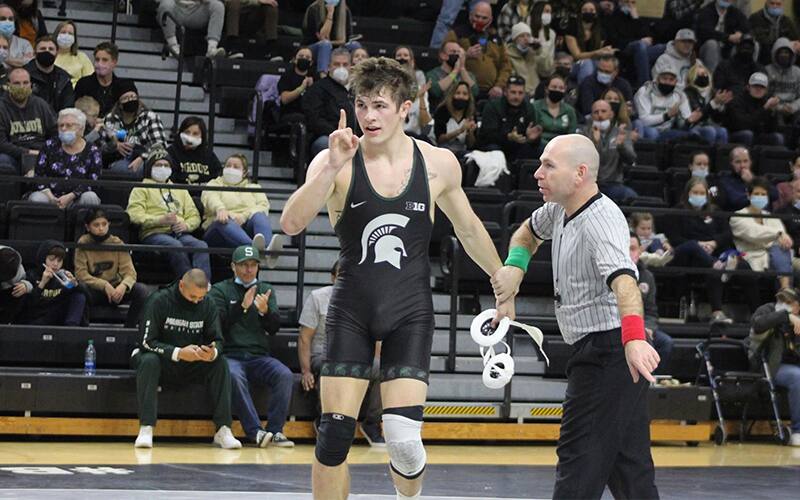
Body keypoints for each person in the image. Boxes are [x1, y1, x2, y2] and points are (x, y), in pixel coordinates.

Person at [280, 57, 511, 500]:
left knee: (404, 444)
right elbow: (291, 223)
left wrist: (501, 279)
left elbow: (467, 228)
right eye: (362, 105)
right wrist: (330, 167)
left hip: (410, 312)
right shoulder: (336, 161)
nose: (369, 116)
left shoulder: (438, 163)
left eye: (380, 106)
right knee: (332, 439)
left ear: (405, 108)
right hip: (350, 310)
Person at [491, 134, 659, 499]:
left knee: (579, 455)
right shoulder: (559, 208)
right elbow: (526, 233)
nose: (538, 173)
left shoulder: (602, 221)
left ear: (580, 173)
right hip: (598, 350)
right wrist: (515, 269)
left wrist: (633, 339)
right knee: (628, 467)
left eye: (549, 166)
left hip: (609, 352)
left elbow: (626, 283)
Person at [131, 269, 241, 449]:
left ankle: (223, 429)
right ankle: (146, 427)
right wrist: (178, 352)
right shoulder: (159, 300)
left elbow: (218, 340)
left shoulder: (208, 304)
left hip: (190, 361)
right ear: (181, 285)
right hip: (161, 359)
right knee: (149, 360)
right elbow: (146, 342)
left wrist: (211, 352)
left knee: (219, 363)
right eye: (192, 296)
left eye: (200, 297)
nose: (197, 301)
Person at [208, 245, 295, 448]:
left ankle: (275, 431)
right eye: (244, 265)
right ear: (233, 266)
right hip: (230, 355)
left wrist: (265, 312)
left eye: (253, 265)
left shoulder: (265, 289)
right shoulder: (221, 290)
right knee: (233, 375)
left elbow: (274, 328)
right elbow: (217, 325)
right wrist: (242, 307)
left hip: (258, 356)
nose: (248, 269)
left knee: (284, 374)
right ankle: (255, 432)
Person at [298, 259, 386, 448]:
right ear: (333, 278)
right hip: (323, 354)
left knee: (381, 369)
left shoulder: (364, 301)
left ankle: (371, 423)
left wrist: (378, 361)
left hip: (355, 354)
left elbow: (376, 336)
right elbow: (305, 338)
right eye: (342, 276)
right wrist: (305, 371)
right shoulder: (317, 297)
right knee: (331, 364)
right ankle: (324, 420)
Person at [126, 148, 211, 280]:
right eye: (158, 165)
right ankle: (188, 286)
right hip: (153, 234)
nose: (163, 168)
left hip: (180, 233)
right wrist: (159, 220)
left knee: (201, 246)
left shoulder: (180, 190)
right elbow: (133, 215)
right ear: (150, 168)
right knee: (175, 246)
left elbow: (194, 215)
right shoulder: (140, 189)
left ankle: (204, 286)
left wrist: (186, 225)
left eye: (166, 165)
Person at [662, 177, 738, 322]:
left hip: (709, 256)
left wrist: (714, 243)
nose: (699, 195)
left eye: (702, 193)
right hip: (683, 256)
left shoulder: (715, 211)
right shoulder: (678, 211)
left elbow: (727, 234)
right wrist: (699, 244)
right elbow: (674, 237)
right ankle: (719, 264)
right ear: (687, 193)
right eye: (695, 192)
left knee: (740, 267)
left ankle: (717, 313)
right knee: (693, 247)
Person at [201, 153, 283, 268]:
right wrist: (221, 209)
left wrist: (244, 216)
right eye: (228, 166)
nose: (231, 169)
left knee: (259, 215)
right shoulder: (214, 183)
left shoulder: (254, 188)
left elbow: (263, 205)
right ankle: (259, 253)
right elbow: (210, 198)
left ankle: (266, 248)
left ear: (244, 172)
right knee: (225, 220)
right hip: (218, 229)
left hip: (244, 227)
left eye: (236, 167)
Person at [74, 207, 149, 328]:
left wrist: (123, 286)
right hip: (95, 291)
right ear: (88, 227)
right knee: (80, 289)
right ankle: (84, 330)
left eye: (104, 224)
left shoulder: (117, 243)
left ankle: (129, 329)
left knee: (142, 290)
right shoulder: (83, 243)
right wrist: (104, 285)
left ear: (109, 224)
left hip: (116, 290)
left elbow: (130, 272)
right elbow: (81, 274)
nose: (101, 228)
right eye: (96, 225)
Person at [749, 287, 800, 446]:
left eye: (792, 304)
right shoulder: (766, 310)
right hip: (768, 366)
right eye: (784, 302)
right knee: (797, 377)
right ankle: (798, 430)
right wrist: (786, 316)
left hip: (792, 363)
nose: (792, 308)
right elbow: (758, 325)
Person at [27, 107, 101, 207]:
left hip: (77, 198)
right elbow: (39, 176)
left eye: (69, 125)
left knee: (90, 197)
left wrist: (70, 196)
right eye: (61, 125)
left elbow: (93, 181)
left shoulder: (93, 150)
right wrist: (51, 197)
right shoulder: (49, 145)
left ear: (81, 128)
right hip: (50, 196)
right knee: (36, 198)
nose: (63, 129)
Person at [730, 177, 794, 290]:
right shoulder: (737, 216)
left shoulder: (771, 217)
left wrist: (778, 236)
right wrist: (777, 235)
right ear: (749, 195)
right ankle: (786, 290)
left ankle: (785, 293)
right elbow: (754, 233)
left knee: (781, 250)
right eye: (756, 194)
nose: (760, 197)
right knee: (780, 252)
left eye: (763, 194)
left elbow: (783, 239)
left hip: (774, 260)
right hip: (751, 260)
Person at [444, 1, 512, 99]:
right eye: (477, 16)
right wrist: (466, 55)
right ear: (470, 15)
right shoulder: (457, 34)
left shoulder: (496, 38)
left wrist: (499, 86)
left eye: (484, 18)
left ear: (490, 19)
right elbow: (444, 57)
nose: (480, 20)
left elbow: (506, 66)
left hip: (492, 92)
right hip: (462, 89)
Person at [103, 79, 168, 179]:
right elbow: (102, 144)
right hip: (119, 159)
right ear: (119, 104)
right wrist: (116, 145)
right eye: (126, 98)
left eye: (133, 96)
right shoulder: (110, 119)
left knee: (139, 169)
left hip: (146, 158)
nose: (130, 100)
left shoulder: (150, 117)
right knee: (120, 169)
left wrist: (142, 157)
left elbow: (160, 145)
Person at [630, 233, 674, 373]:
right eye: (626, 248)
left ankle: (653, 383)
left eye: (633, 248)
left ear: (640, 250)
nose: (630, 253)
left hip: (642, 327)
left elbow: (651, 311)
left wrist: (648, 327)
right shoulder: (610, 274)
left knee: (665, 342)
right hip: (618, 327)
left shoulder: (647, 276)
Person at [0, 66, 57, 174]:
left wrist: (45, 151)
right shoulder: (1, 107)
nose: (22, 87)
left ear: (31, 84)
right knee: (3, 161)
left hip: (41, 153)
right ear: (8, 85)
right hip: (13, 156)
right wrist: (28, 152)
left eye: (25, 83)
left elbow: (55, 132)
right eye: (17, 83)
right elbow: (1, 144)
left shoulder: (41, 104)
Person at [303, 47, 356, 159]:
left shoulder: (358, 90)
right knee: (323, 144)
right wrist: (338, 135)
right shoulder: (317, 89)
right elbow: (314, 119)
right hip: (327, 136)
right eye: (336, 64)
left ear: (351, 67)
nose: (341, 68)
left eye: (345, 64)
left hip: (355, 137)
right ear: (329, 67)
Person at [19, 239, 86, 326]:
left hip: (57, 316)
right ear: (43, 259)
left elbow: (87, 297)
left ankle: (71, 329)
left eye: (59, 261)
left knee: (79, 295)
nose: (55, 264)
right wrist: (42, 283)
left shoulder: (63, 276)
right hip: (37, 318)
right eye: (51, 259)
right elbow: (29, 304)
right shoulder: (31, 275)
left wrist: (76, 285)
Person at [581, 99, 636, 204]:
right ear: (591, 116)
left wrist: (621, 146)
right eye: (596, 112)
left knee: (632, 197)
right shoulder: (584, 134)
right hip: (589, 184)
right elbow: (583, 161)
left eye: (603, 111)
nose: (600, 115)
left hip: (613, 184)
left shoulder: (620, 133)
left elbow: (631, 160)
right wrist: (595, 143)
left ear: (611, 114)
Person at [604, 0, 666, 88]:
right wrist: (640, 40)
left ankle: (664, 82)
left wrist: (636, 18)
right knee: (640, 45)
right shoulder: (614, 16)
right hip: (623, 48)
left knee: (663, 47)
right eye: (627, 2)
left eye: (633, 2)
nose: (630, 5)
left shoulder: (635, 17)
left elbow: (647, 35)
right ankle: (645, 86)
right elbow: (615, 40)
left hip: (641, 49)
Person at [479, 75, 539, 162]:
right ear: (505, 92)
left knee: (537, 150)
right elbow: (487, 135)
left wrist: (533, 139)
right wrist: (508, 137)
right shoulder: (493, 106)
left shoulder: (528, 108)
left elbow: (531, 135)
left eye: (520, 93)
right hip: (496, 145)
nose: (516, 97)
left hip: (519, 147)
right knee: (495, 151)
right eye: (513, 92)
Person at [633, 60, 693, 142]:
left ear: (676, 82)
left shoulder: (680, 95)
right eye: (664, 79)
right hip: (645, 129)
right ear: (657, 80)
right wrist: (667, 116)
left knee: (690, 135)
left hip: (666, 132)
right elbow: (644, 120)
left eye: (671, 80)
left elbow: (683, 123)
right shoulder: (645, 91)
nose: (667, 82)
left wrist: (689, 121)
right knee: (652, 133)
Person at [724, 72, 784, 147]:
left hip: (757, 135)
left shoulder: (766, 102)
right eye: (755, 86)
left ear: (766, 90)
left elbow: (772, 129)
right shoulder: (737, 100)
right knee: (747, 134)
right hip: (736, 134)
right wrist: (764, 109)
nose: (758, 89)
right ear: (748, 87)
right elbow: (742, 125)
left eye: (762, 87)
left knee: (778, 137)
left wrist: (772, 112)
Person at [302, 0, 360, 75]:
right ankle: (323, 77)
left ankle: (357, 77)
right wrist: (330, 14)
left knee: (355, 45)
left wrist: (336, 42)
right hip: (315, 47)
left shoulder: (345, 10)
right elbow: (322, 37)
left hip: (335, 48)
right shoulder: (314, 9)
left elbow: (346, 39)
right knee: (325, 44)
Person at [563, 0, 612, 85]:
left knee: (605, 65)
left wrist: (605, 51)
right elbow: (577, 56)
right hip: (572, 64)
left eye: (591, 10)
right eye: (584, 10)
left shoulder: (600, 32)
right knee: (587, 62)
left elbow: (597, 56)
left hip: (592, 62)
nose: (588, 12)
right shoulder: (572, 29)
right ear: (580, 13)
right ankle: (584, 92)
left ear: (596, 13)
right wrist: (597, 52)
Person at [694, 0, 751, 72]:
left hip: (727, 51)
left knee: (750, 44)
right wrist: (728, 37)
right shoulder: (707, 11)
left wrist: (740, 34)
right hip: (706, 51)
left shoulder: (735, 12)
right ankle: (713, 78)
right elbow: (705, 32)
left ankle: (739, 77)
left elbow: (747, 27)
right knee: (712, 44)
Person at [158, 0, 227, 58]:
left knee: (218, 6)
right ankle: (172, 46)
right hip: (175, 8)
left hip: (196, 9)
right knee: (165, 5)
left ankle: (211, 48)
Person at [25, 34, 74, 113]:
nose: (47, 51)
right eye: (42, 49)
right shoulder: (23, 75)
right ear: (34, 53)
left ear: (57, 53)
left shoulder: (64, 78)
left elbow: (68, 108)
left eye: (51, 49)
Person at [74, 42, 125, 117]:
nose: (100, 63)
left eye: (105, 60)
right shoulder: (83, 84)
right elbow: (76, 111)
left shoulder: (122, 86)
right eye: (97, 59)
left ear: (114, 62)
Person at [683, 64, 730, 145]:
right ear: (692, 77)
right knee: (709, 130)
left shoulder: (712, 92)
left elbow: (717, 119)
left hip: (709, 125)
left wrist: (720, 106)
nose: (704, 76)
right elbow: (698, 114)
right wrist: (714, 103)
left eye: (705, 74)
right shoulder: (689, 92)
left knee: (723, 131)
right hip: (693, 126)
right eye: (700, 75)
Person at [167, 116, 221, 185]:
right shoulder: (171, 153)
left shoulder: (209, 155)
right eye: (187, 132)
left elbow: (217, 175)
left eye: (195, 134)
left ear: (202, 136)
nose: (190, 137)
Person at [425, 41, 478, 112]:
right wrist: (455, 71)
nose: (456, 55)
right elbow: (436, 91)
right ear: (443, 55)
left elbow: (474, 92)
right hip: (440, 113)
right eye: (453, 52)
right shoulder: (432, 74)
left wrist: (462, 68)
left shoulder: (468, 75)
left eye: (458, 52)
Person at [507, 22, 554, 96]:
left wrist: (540, 51)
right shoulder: (508, 55)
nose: (526, 38)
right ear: (514, 39)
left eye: (528, 35)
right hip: (519, 94)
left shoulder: (534, 53)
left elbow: (546, 71)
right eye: (521, 36)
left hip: (537, 93)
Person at [395, 46, 432, 142]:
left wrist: (421, 97)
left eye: (405, 56)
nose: (402, 58)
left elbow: (425, 124)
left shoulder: (421, 90)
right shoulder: (388, 90)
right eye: (399, 56)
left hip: (414, 137)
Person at [712, 34, 763, 99]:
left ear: (754, 49)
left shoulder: (759, 70)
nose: (746, 48)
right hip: (728, 102)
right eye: (743, 45)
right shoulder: (724, 66)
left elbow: (763, 92)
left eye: (749, 46)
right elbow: (718, 90)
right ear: (737, 48)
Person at [749, 0, 800, 66]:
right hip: (763, 56)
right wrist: (784, 44)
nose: (775, 6)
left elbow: (795, 39)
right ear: (767, 3)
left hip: (784, 56)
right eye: (772, 3)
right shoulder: (755, 18)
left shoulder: (786, 21)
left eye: (778, 4)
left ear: (782, 5)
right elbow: (762, 41)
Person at [531, 75, 577, 147]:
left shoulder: (570, 110)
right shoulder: (535, 106)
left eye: (561, 88)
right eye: (554, 87)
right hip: (540, 145)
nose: (557, 90)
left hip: (563, 146)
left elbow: (571, 134)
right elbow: (534, 132)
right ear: (546, 89)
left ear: (565, 90)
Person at [433, 81, 477, 155]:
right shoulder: (442, 111)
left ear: (469, 97)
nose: (461, 96)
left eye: (465, 94)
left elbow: (471, 145)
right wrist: (460, 130)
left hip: (463, 151)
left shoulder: (471, 113)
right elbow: (440, 139)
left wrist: (470, 133)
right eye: (458, 93)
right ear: (452, 95)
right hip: (443, 150)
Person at [765, 38, 800, 128]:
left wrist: (793, 107)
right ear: (775, 54)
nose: (784, 55)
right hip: (773, 109)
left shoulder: (798, 72)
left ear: (791, 54)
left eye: (786, 52)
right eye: (781, 52)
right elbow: (763, 95)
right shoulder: (767, 70)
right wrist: (779, 108)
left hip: (794, 108)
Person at [277, 46, 315, 124]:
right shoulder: (287, 75)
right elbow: (284, 99)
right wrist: (301, 88)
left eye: (307, 57)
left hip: (310, 113)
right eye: (301, 56)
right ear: (295, 60)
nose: (304, 59)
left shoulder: (314, 76)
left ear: (311, 62)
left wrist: (313, 87)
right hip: (289, 113)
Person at [53, 20, 93, 88]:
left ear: (74, 38)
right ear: (56, 34)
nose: (66, 35)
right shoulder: (49, 55)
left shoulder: (82, 57)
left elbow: (90, 79)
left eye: (70, 33)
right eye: (63, 32)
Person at [0, 244, 31, 324]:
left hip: (9, 294)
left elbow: (32, 282)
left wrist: (26, 286)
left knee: (19, 290)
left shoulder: (16, 267)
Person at [0, 3, 33, 68]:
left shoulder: (24, 44)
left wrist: (3, 57)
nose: (7, 22)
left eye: (11, 19)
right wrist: (17, 61)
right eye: (3, 19)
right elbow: (22, 62)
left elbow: (29, 63)